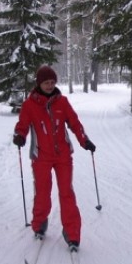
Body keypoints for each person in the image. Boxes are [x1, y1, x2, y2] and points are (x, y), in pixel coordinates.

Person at [13, 65, 96, 251]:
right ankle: (39, 224)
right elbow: (23, 124)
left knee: (66, 192)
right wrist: (19, 135)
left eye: (52, 82)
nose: (50, 86)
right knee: (42, 192)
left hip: (63, 156)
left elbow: (75, 123)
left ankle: (72, 234)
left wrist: (85, 141)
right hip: (40, 156)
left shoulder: (62, 102)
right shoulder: (29, 105)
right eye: (46, 83)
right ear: (39, 83)